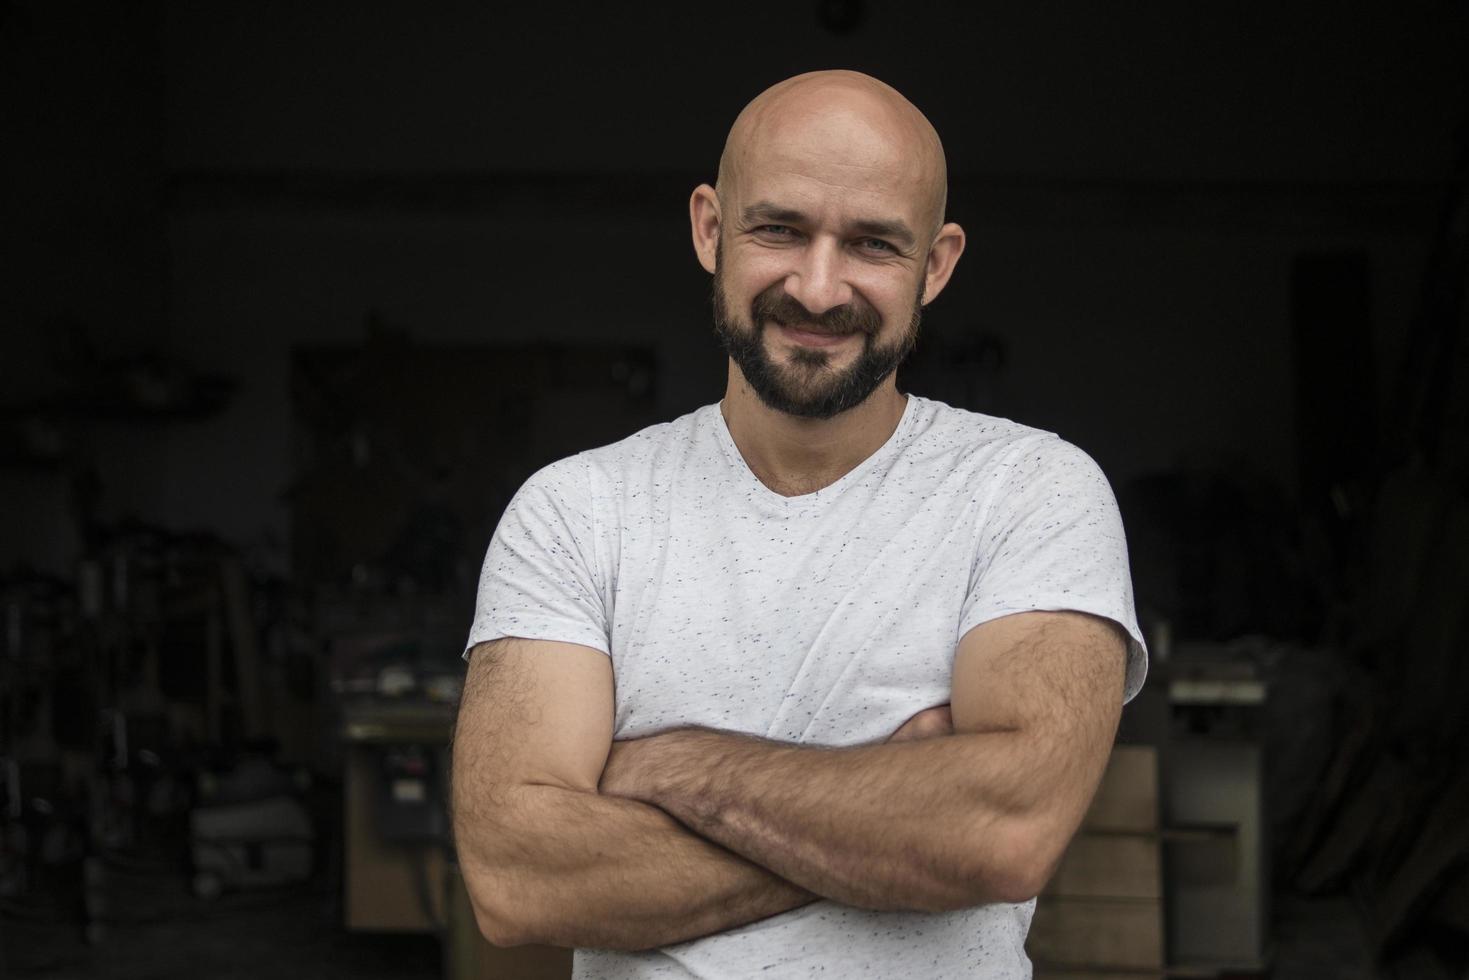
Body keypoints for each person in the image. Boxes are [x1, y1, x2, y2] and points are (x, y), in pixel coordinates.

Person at [451, 69, 1148, 979]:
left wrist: (674, 770)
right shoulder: (576, 512)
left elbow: (999, 834)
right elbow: (517, 879)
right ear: (709, 228)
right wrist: (887, 832)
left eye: (872, 245)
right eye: (778, 229)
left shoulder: (1030, 494)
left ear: (935, 265)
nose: (819, 291)